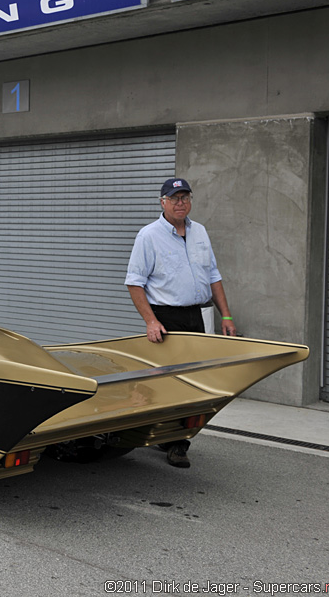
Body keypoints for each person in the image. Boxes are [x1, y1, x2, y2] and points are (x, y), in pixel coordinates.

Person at [125, 178, 237, 469]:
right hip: (166, 318)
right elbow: (135, 284)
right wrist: (151, 321)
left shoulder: (199, 231)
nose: (180, 203)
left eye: (185, 197)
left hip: (196, 315)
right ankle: (172, 441)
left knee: (193, 382)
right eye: (174, 198)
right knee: (169, 382)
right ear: (162, 202)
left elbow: (213, 275)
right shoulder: (148, 236)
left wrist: (225, 315)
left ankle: (174, 436)